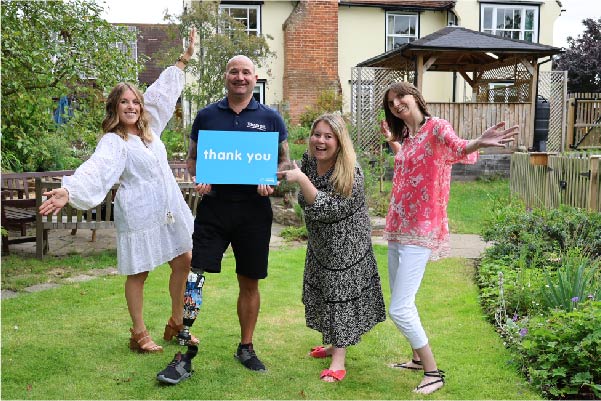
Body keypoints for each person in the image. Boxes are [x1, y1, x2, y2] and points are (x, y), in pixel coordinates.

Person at [39, 29, 199, 354]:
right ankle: (139, 333)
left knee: (185, 259)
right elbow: (97, 168)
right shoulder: (115, 141)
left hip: (168, 208)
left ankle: (176, 322)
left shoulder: (150, 131)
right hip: (139, 211)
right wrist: (69, 191)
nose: (132, 106)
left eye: (135, 101)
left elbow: (163, 94)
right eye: (124, 102)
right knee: (139, 271)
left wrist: (183, 60)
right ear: (115, 108)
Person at [379, 81, 518, 395]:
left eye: (401, 96)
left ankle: (433, 371)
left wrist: (478, 141)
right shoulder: (409, 138)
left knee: (400, 308)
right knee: (404, 301)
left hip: (419, 230)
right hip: (398, 227)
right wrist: (392, 143)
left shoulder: (436, 128)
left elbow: (457, 147)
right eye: (391, 102)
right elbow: (410, 160)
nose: (397, 104)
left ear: (415, 97)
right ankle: (416, 359)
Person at [185, 54, 289, 372]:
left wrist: (272, 178)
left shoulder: (271, 119)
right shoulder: (206, 116)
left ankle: (246, 347)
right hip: (214, 208)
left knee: (250, 281)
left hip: (254, 212)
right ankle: (185, 341)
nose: (240, 77)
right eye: (234, 71)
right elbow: (192, 160)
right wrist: (199, 177)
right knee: (195, 276)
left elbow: (285, 162)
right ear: (226, 77)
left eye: (246, 72)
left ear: (254, 79)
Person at [277, 113, 386, 382]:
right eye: (317, 134)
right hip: (321, 244)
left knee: (340, 299)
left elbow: (328, 208)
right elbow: (306, 199)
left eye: (328, 136)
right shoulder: (309, 163)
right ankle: (331, 344)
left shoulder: (352, 171)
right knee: (323, 295)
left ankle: (339, 360)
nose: (320, 141)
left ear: (339, 141)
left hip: (347, 248)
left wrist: (302, 180)